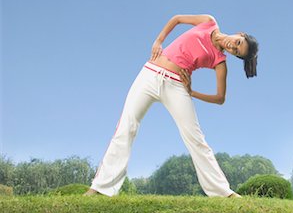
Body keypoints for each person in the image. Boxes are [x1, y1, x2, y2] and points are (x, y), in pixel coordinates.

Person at [84, 14, 258, 198]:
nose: (233, 47)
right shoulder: (209, 22)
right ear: (240, 34)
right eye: (238, 43)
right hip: (149, 75)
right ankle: (101, 188)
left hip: (177, 86)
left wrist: (192, 93)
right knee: (126, 127)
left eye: (237, 52)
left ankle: (223, 192)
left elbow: (220, 98)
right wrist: (158, 41)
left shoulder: (219, 61)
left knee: (196, 138)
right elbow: (177, 19)